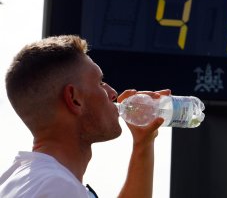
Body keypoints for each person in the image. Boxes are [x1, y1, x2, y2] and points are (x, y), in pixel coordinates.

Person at [0, 35, 169, 197]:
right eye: (100, 83)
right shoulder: (59, 188)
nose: (113, 93)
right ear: (74, 98)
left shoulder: (17, 179)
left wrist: (143, 144)